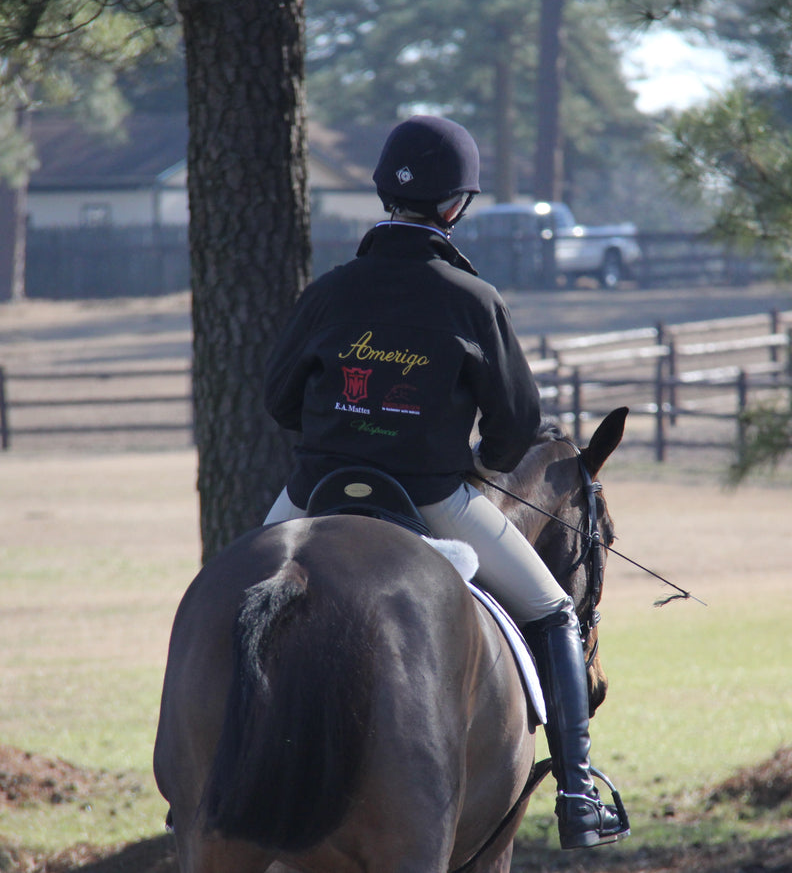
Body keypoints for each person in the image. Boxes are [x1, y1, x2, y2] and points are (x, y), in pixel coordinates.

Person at [261, 115, 630, 850]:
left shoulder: (332, 291)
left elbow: (278, 399)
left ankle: (202, 786)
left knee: (238, 594)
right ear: (456, 206)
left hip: (314, 493)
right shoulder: (472, 300)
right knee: (555, 610)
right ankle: (578, 792)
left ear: (381, 194)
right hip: (430, 495)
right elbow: (512, 430)